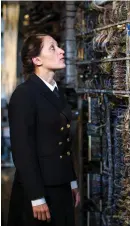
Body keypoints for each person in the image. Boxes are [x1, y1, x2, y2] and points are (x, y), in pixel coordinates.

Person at [7, 34, 80, 226]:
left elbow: (64, 143)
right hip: (39, 190)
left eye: (59, 46)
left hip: (61, 184)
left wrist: (71, 181)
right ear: (36, 60)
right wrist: (36, 197)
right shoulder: (24, 94)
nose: (61, 51)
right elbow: (23, 150)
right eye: (52, 48)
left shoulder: (58, 91)